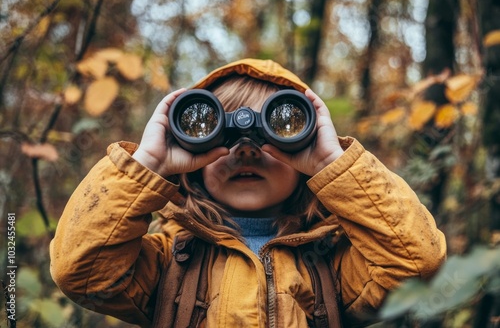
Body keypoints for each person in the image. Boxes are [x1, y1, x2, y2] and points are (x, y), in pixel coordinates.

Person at [50, 58, 446, 327]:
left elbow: (416, 263)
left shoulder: (333, 262)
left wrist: (332, 163)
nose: (246, 149)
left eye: (276, 134)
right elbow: (82, 273)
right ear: (192, 157)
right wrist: (149, 163)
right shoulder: (167, 260)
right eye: (220, 136)